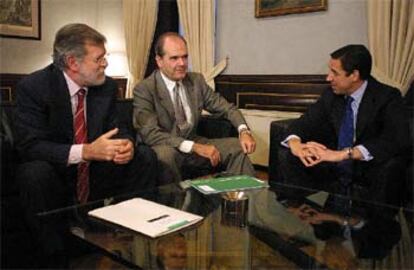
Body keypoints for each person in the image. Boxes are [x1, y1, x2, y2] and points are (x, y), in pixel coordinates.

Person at [15, 23, 157, 267]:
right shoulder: (34, 87)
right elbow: (31, 146)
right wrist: (86, 151)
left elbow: (121, 127)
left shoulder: (107, 87)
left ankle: (131, 239)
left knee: (144, 156)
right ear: (73, 63)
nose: (105, 64)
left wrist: (126, 145)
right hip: (58, 172)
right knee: (34, 172)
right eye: (99, 59)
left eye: (105, 57)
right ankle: (56, 255)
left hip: (97, 172)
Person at [278, 44, 408, 218]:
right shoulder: (331, 95)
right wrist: (295, 144)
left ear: (354, 75)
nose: (328, 77)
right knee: (289, 153)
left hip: (367, 167)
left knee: (389, 169)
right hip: (333, 167)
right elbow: (305, 121)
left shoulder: (387, 96)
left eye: (335, 73)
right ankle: (300, 213)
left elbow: (395, 139)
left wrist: (344, 154)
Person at [133, 32, 256, 184]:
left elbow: (227, 108)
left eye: (184, 57)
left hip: (193, 140)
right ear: (159, 61)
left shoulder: (196, 81)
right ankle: (176, 205)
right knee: (165, 156)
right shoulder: (145, 89)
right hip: (164, 146)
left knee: (237, 147)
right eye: (174, 58)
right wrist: (194, 147)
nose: (182, 63)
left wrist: (243, 130)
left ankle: (243, 200)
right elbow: (150, 134)